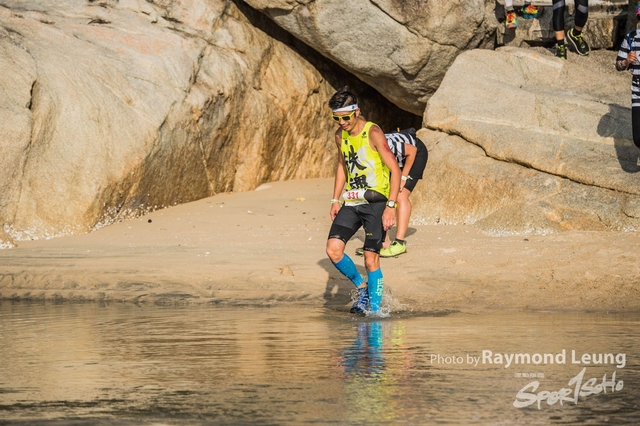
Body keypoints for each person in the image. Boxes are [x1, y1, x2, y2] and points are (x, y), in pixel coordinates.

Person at [325, 87, 401, 314]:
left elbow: (395, 170)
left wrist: (391, 206)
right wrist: (335, 199)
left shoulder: (373, 132)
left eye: (346, 117)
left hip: (376, 202)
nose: (342, 123)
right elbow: (342, 166)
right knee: (333, 250)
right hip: (352, 201)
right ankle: (362, 288)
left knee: (370, 259)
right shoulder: (340, 135)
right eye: (336, 118)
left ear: (357, 112)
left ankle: (375, 313)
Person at [379, 129, 428, 258]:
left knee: (400, 196)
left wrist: (403, 176)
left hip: (414, 153)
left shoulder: (386, 145)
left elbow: (412, 150)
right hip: (395, 159)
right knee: (380, 194)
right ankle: (383, 242)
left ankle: (399, 243)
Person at [616, 7, 640, 151]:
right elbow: (618, 66)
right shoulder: (631, 37)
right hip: (637, 92)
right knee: (638, 139)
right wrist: (626, 61)